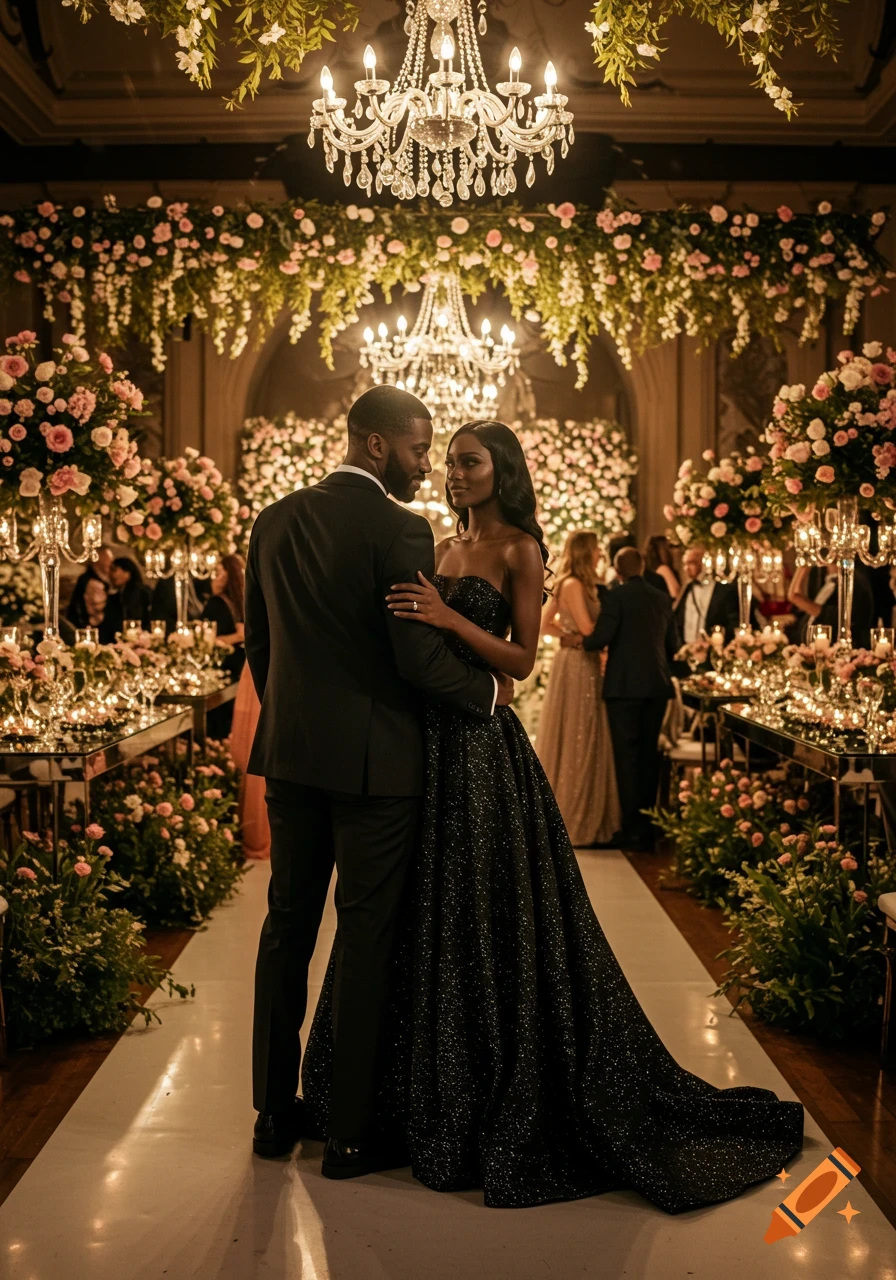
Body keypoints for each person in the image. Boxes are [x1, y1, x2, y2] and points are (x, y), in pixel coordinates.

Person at [301, 421, 803, 1213]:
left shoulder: (520, 550)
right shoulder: (434, 540)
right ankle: (396, 1099)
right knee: (409, 915)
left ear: (503, 470)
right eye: (453, 462)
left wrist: (447, 618)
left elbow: (523, 659)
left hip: (480, 746)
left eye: (470, 462)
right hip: (420, 745)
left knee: (482, 913)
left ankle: (484, 1093)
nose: (456, 474)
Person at [244, 386, 506, 1176]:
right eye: (422, 450)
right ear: (375, 445)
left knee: (287, 927)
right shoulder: (400, 528)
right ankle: (350, 1135)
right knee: (364, 942)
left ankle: (270, 1115)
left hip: (289, 757)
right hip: (377, 768)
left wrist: (294, 719)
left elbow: (261, 648)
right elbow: (411, 654)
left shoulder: (274, 520)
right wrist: (487, 694)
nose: (430, 467)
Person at [564, 547, 678, 852]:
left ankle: (632, 830)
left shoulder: (616, 597)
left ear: (618, 570)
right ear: (642, 567)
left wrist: (576, 639)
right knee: (648, 756)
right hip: (656, 686)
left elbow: (601, 638)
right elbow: (673, 645)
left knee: (626, 758)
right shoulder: (662, 597)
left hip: (624, 688)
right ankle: (651, 825)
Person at [538, 530, 621, 846]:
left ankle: (588, 810)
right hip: (576, 666)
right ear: (586, 552)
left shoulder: (577, 584)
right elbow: (585, 628)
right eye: (597, 548)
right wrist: (575, 635)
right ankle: (574, 816)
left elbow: (550, 624)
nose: (600, 553)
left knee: (587, 731)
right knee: (579, 731)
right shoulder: (572, 584)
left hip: (580, 662)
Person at [203, 553, 246, 735]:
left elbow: (209, 640)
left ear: (229, 576)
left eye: (218, 573)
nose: (213, 578)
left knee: (218, 722)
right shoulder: (242, 602)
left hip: (223, 667)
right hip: (240, 667)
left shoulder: (217, 604)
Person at [789, 563, 874, 650]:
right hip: (807, 647)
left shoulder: (855, 584)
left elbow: (794, 597)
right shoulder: (826, 581)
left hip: (835, 651)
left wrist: (804, 564)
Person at [673, 545, 739, 646]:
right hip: (687, 648)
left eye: (691, 563)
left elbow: (733, 622)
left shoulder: (723, 589)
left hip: (712, 650)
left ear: (703, 563)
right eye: (685, 564)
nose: (687, 568)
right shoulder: (688, 587)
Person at [98, 556, 151, 643]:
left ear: (127, 572)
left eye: (114, 570)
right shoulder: (115, 597)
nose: (110, 575)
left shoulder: (142, 593)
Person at [65, 545, 112, 630]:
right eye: (107, 558)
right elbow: (97, 609)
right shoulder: (91, 582)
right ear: (97, 559)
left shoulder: (103, 579)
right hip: (87, 626)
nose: (110, 562)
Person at [643, 534, 680, 601]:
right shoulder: (664, 570)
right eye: (669, 547)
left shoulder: (645, 573)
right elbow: (677, 595)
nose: (672, 551)